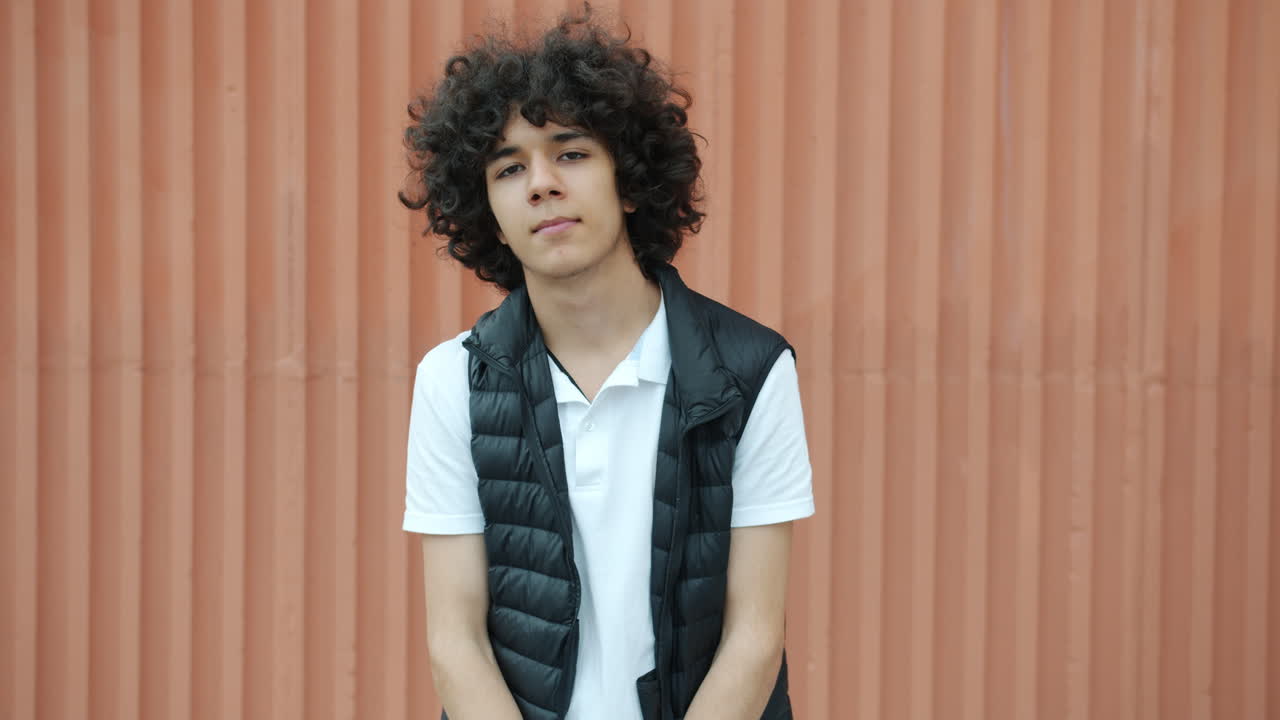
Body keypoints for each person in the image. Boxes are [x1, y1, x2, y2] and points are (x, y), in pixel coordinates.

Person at [399, 6, 814, 720]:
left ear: (628, 177)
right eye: (508, 167)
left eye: (571, 152)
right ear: (486, 208)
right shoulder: (451, 381)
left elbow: (753, 637)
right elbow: (454, 641)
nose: (540, 184)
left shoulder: (752, 371)